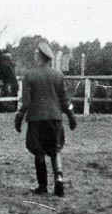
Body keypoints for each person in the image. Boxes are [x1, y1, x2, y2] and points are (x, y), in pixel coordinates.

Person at [14, 42, 77, 196]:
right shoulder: (58, 75)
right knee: (55, 150)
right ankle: (59, 180)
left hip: (36, 119)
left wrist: (19, 117)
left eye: (36, 54)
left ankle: (42, 186)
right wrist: (71, 116)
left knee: (39, 152)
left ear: (40, 56)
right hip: (55, 119)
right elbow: (65, 101)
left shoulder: (30, 75)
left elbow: (26, 102)